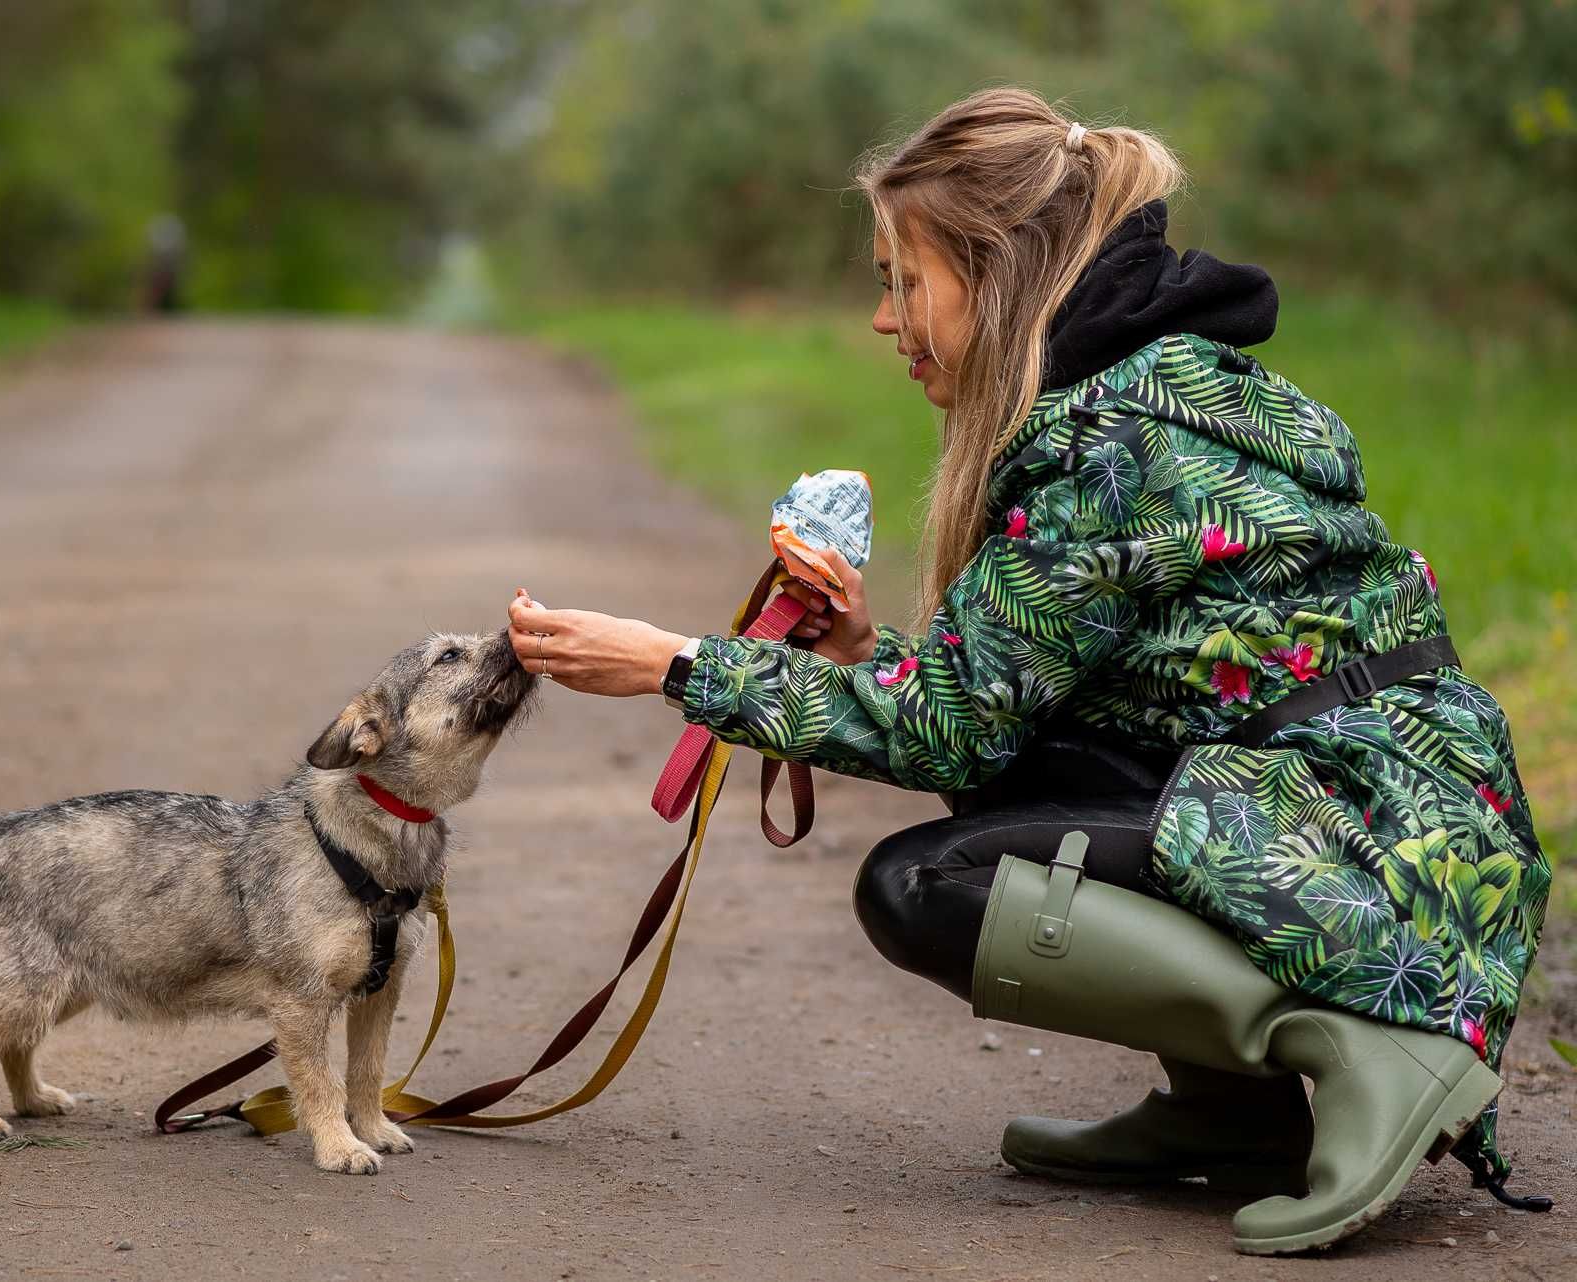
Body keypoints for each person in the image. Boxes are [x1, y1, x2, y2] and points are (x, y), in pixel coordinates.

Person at [505, 87, 1552, 1255]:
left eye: (904, 279)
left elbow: (946, 736)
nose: (882, 317)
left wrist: (676, 665)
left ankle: (1377, 1050)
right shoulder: (1152, 389)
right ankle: (1236, 1115)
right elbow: (999, 702)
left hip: (1372, 858)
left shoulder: (1111, 444)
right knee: (1023, 775)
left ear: (995, 273)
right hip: (1392, 822)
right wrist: (857, 649)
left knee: (920, 886)